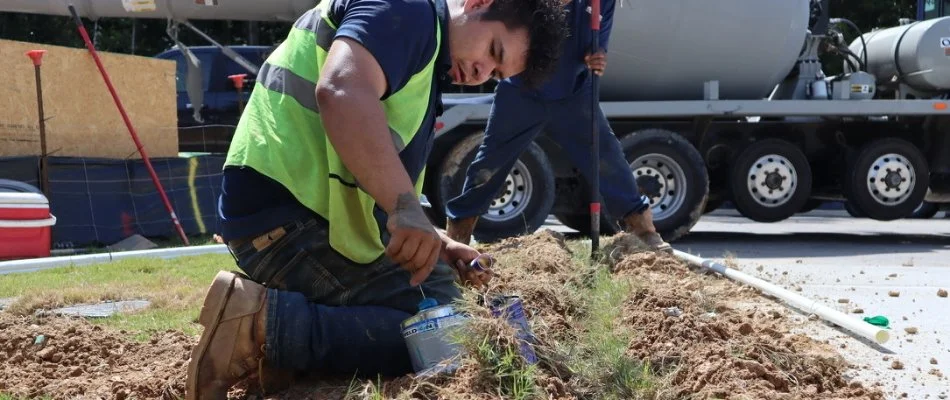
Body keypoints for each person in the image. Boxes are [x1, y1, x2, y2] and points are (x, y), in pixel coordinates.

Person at [184, 0, 567, 397]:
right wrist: (406, 208)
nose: (480, 73)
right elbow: (341, 90)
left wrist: (436, 239)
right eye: (493, 51)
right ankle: (261, 326)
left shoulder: (420, 49)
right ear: (477, 3)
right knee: (451, 331)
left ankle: (289, 355)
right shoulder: (408, 10)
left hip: (293, 216)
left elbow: (370, 173)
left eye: (495, 73)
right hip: (287, 220)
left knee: (443, 310)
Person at [442, 0, 672, 253]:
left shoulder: (600, 2)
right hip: (520, 93)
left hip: (573, 94)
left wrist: (597, 58)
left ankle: (645, 232)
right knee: (488, 165)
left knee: (607, 159)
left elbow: (597, 48)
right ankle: (457, 237)